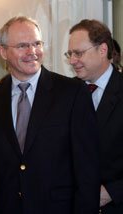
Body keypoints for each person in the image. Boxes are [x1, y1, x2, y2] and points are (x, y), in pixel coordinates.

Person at [0, 16, 100, 214]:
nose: (32, 52)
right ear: (2, 51)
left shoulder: (72, 93)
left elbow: (87, 169)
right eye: (22, 46)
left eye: (36, 43)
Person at [67, 19, 123, 214]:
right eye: (70, 54)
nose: (73, 60)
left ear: (102, 50)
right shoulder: (65, 93)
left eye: (79, 53)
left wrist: (112, 191)